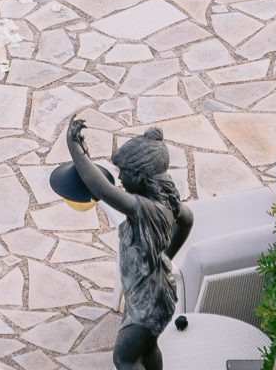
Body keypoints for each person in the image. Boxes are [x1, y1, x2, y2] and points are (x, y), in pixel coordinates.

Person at [64, 113, 189, 370]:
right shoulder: (166, 200)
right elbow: (187, 220)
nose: (119, 178)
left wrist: (74, 149)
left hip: (148, 303)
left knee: (123, 357)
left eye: (125, 173)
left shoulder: (145, 209)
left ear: (142, 176)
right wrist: (165, 256)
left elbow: (102, 190)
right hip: (154, 292)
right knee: (148, 346)